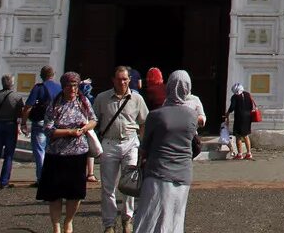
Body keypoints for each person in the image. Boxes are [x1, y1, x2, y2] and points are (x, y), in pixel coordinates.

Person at [131, 70, 200, 233]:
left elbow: (145, 147)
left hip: (158, 172)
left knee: (150, 218)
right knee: (176, 217)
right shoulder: (192, 115)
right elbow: (194, 144)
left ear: (168, 87)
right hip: (183, 174)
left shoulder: (156, 115)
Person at [37, 71, 98, 233]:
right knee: (55, 193)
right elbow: (48, 129)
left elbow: (94, 120)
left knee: (74, 193)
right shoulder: (55, 104)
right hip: (56, 154)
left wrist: (85, 128)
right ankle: (56, 226)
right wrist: (70, 132)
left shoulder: (83, 102)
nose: (72, 89)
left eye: (75, 86)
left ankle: (68, 222)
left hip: (77, 154)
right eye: (69, 86)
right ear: (63, 87)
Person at [94, 65, 150, 233]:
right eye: (119, 79)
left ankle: (127, 219)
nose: (123, 82)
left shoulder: (137, 99)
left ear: (129, 80)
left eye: (125, 79)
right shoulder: (102, 98)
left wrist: (143, 145)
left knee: (130, 184)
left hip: (130, 143)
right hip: (109, 143)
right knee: (108, 187)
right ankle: (109, 224)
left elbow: (144, 123)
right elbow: (94, 120)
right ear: (113, 80)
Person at [22, 66, 62, 183]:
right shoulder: (59, 88)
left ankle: (43, 179)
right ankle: (53, 177)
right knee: (53, 151)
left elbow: (28, 106)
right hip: (55, 123)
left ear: (41, 75)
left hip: (40, 122)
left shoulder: (39, 88)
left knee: (40, 150)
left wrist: (24, 123)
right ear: (53, 75)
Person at [0, 75, 25, 189]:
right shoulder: (17, 97)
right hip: (11, 125)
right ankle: (4, 181)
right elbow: (20, 113)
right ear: (12, 84)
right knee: (9, 155)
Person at [225, 83, 255, 161]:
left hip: (239, 118)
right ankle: (249, 153)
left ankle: (240, 154)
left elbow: (232, 107)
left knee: (238, 136)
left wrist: (227, 113)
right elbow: (251, 106)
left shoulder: (235, 97)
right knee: (246, 135)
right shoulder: (248, 94)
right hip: (248, 117)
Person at [80, 79, 97, 181]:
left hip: (82, 126)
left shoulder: (79, 99)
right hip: (89, 126)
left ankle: (87, 173)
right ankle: (90, 173)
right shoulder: (91, 98)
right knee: (89, 150)